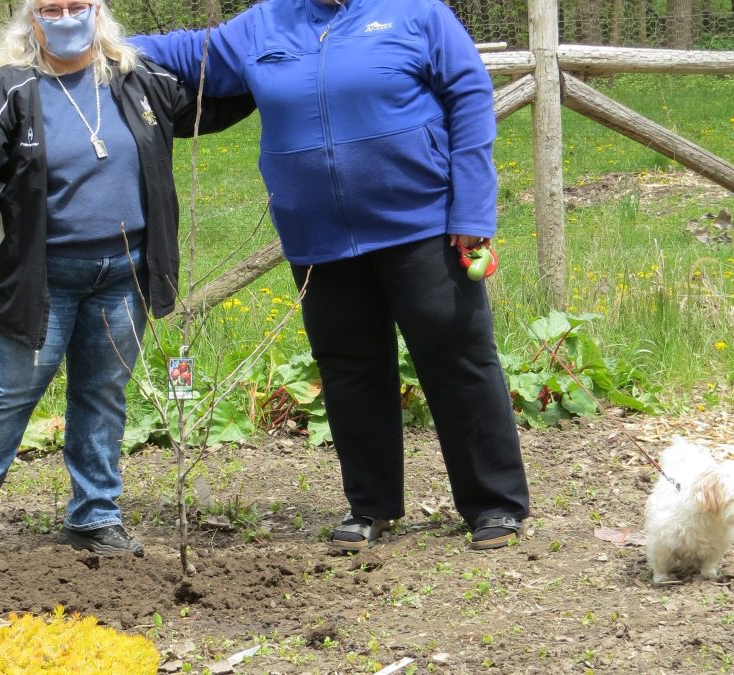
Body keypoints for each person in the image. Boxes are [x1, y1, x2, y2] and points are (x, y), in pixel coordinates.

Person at [130, 0, 530, 553]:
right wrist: (88, 33)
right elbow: (179, 52)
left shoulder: (418, 13)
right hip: (318, 235)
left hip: (424, 224)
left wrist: (472, 209)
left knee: (457, 357)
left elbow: (470, 98)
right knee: (348, 369)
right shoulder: (264, 23)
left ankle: (494, 503)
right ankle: (370, 506)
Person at [0, 0, 252, 573]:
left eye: (77, 5)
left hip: (124, 273)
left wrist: (274, 73)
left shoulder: (137, 81)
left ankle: (95, 514)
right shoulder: (4, 93)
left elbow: (210, 105)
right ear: (32, 21)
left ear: (98, 13)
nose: (66, 17)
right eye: (51, 8)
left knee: (102, 393)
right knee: (6, 395)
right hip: (39, 277)